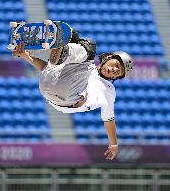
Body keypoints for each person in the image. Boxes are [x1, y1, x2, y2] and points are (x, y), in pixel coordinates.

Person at [13, 29, 133, 161]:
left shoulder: (109, 91)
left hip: (70, 98)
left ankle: (63, 48)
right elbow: (47, 70)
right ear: (108, 57)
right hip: (48, 85)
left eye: (118, 72)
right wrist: (25, 55)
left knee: (88, 46)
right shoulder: (85, 66)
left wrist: (114, 143)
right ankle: (35, 43)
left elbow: (109, 119)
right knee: (72, 36)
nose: (114, 70)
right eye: (116, 65)